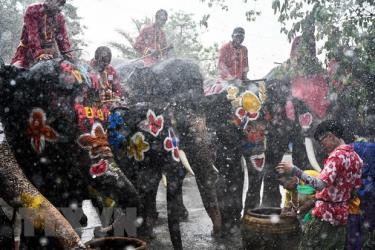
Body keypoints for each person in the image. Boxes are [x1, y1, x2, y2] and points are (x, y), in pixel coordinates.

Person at [276, 120, 362, 250]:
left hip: (324, 218)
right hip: (342, 219)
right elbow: (355, 190)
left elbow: (319, 184)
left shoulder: (336, 157)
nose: (323, 146)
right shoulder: (356, 157)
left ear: (330, 136)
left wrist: (294, 170)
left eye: (322, 142)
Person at [11, 0, 73, 69]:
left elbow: (63, 41)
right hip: (26, 56)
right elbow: (33, 36)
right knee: (15, 73)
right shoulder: (33, 10)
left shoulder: (60, 17)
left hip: (52, 58)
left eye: (61, 3)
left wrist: (69, 56)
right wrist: (39, 54)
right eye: (57, 1)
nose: (59, 5)